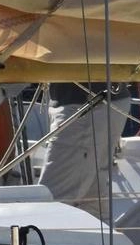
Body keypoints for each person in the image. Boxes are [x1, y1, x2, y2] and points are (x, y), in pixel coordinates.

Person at [40, 82, 132, 220]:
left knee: (50, 203)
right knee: (91, 204)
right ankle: (100, 241)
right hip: (101, 101)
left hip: (86, 106)